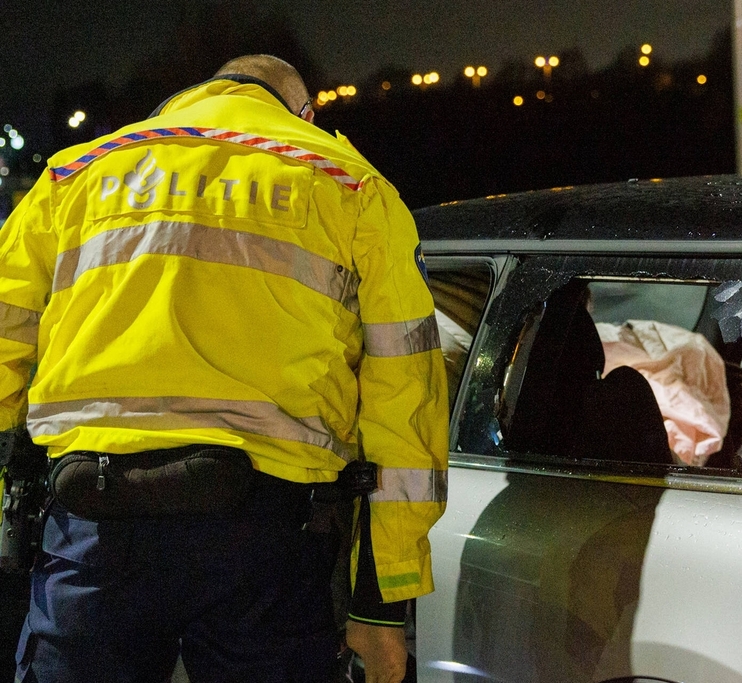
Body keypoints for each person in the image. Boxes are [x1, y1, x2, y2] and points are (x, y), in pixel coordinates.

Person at [0, 55, 448, 683]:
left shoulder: (75, 175)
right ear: (305, 114)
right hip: (269, 539)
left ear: (183, 104)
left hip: (95, 525)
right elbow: (407, 401)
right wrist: (379, 607)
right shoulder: (352, 187)